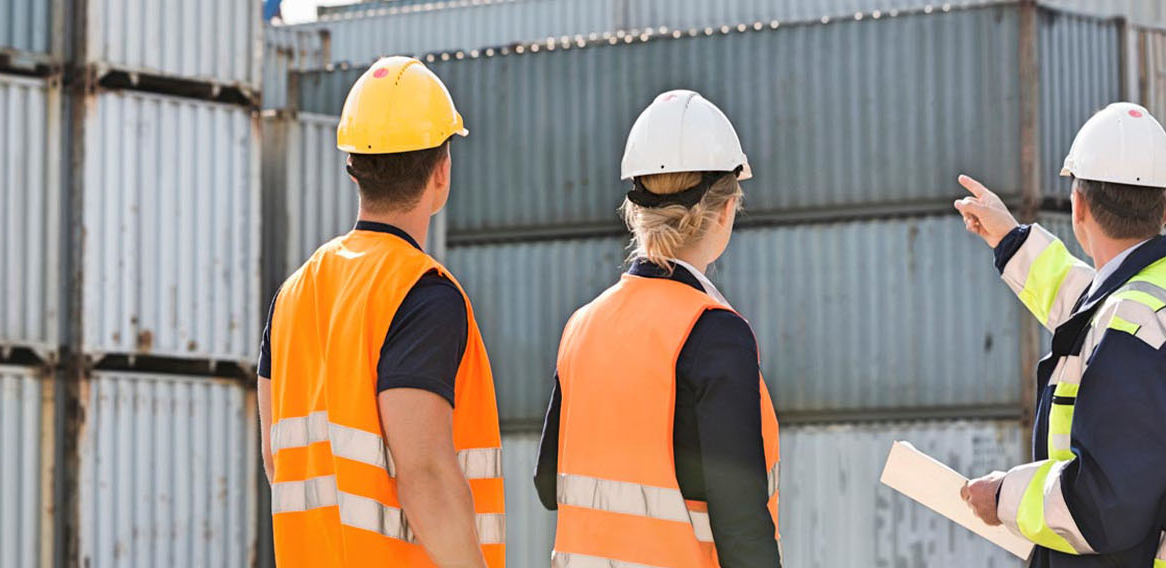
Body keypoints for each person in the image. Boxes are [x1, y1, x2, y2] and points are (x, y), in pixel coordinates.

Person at [258, 56, 506, 568]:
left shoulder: (292, 296)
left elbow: (275, 460)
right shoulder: (422, 296)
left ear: (354, 169)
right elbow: (426, 475)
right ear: (442, 172)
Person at [953, 102, 1166, 567]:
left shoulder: (1130, 337)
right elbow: (1093, 308)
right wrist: (1011, 240)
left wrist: (1002, 497)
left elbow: (1100, 507)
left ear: (1078, 207)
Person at [534, 90, 782, 568]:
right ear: (726, 211)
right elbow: (741, 525)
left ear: (636, 210)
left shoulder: (582, 327)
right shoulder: (715, 335)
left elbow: (550, 485)